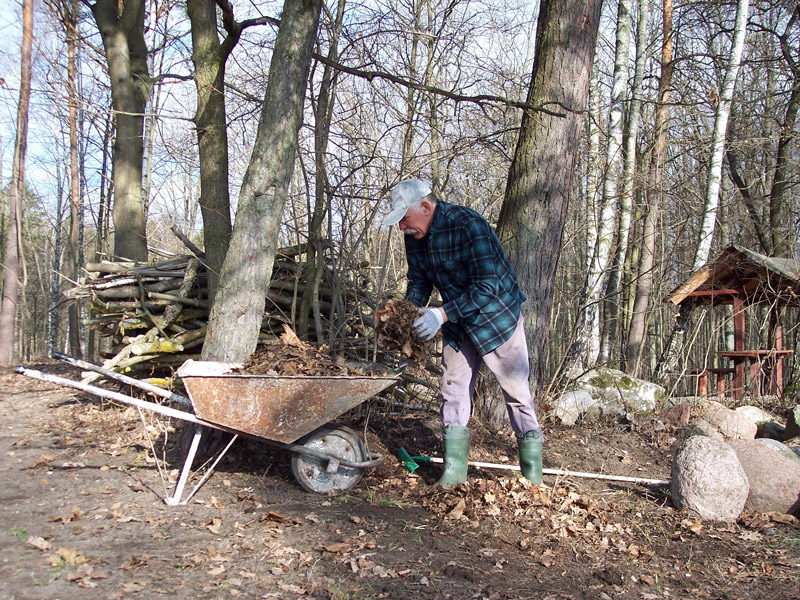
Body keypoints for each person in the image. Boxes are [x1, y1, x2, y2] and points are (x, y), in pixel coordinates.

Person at [382, 178, 543, 487]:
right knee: (452, 389)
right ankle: (454, 475)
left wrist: (440, 314)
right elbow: (419, 279)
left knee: (516, 393)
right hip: (457, 321)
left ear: (426, 208)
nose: (401, 227)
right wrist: (409, 315)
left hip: (497, 318)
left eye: (404, 218)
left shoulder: (468, 225)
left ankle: (533, 478)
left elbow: (488, 286)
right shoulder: (415, 236)